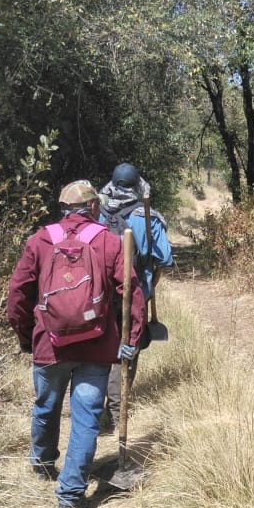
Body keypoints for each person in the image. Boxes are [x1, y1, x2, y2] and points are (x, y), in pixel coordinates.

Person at [7, 180, 147, 508]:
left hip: (49, 345)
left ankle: (42, 464)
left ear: (63, 209)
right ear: (94, 208)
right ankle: (69, 497)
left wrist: (28, 336)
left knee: (46, 407)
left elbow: (17, 295)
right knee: (85, 419)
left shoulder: (41, 240)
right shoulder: (109, 242)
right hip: (96, 348)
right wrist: (130, 341)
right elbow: (132, 294)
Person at [99, 162, 173, 429]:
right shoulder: (148, 218)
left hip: (100, 294)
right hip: (135, 293)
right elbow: (164, 258)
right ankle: (117, 411)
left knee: (102, 346)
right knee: (128, 348)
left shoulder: (97, 215)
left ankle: (98, 411)